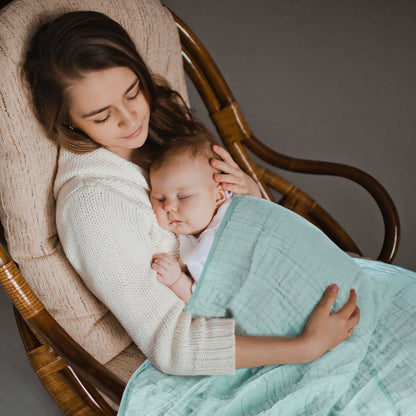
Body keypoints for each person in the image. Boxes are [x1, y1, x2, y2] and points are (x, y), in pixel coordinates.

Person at [23, 10, 359, 376]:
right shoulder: (93, 206)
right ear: (69, 120)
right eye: (102, 116)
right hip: (243, 352)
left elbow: (250, 236)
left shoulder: (165, 129)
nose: (131, 119)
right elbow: (172, 344)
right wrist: (304, 347)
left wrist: (249, 194)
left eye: (133, 92)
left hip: (279, 295)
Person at [149, 127, 234, 303]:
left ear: (218, 196)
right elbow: (207, 302)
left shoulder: (234, 217)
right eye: (160, 198)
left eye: (183, 197)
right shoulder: (191, 245)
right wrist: (176, 280)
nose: (169, 207)